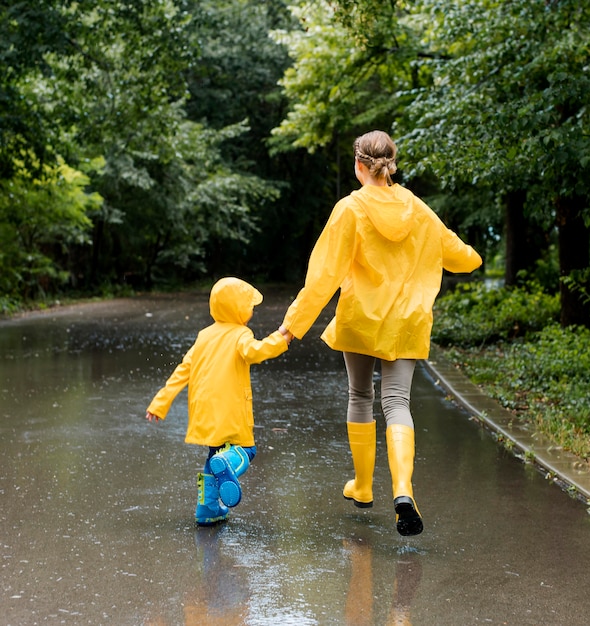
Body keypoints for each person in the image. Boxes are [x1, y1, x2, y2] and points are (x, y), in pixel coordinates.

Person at [279, 130, 482, 536]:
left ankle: (364, 486)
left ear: (358, 165)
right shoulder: (418, 209)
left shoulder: (349, 209)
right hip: (406, 322)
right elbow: (465, 259)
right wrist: (454, 255)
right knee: (397, 402)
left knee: (360, 396)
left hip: (361, 319)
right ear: (392, 165)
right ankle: (404, 490)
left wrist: (292, 325)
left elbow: (322, 279)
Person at [146, 276, 291, 526]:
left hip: (206, 411)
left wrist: (160, 403)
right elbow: (255, 352)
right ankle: (229, 463)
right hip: (232, 410)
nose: (251, 314)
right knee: (245, 450)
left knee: (214, 456)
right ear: (238, 309)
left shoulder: (203, 336)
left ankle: (208, 509)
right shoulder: (240, 334)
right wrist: (281, 338)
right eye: (249, 308)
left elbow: (184, 370)